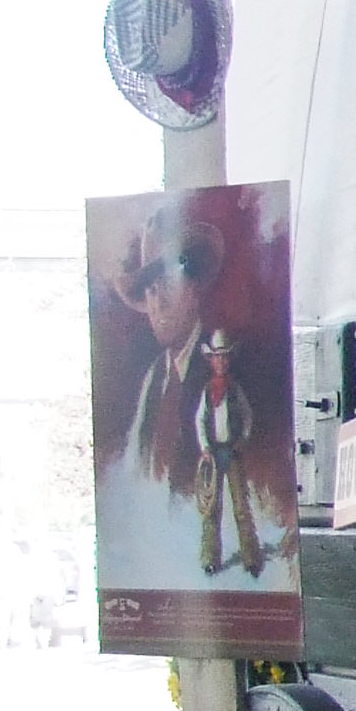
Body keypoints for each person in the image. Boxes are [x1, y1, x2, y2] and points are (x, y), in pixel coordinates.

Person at [111, 205, 228, 501]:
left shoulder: (221, 362)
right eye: (151, 291)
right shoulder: (154, 379)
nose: (159, 303)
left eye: (168, 284)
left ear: (194, 288)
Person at [192, 328, 269, 579]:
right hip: (214, 455)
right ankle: (209, 557)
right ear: (211, 361)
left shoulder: (235, 390)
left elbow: (247, 416)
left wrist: (242, 440)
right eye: (217, 357)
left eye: (225, 357)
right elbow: (200, 419)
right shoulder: (207, 391)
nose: (221, 362)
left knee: (240, 505)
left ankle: (250, 556)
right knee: (211, 507)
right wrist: (205, 446)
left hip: (232, 452)